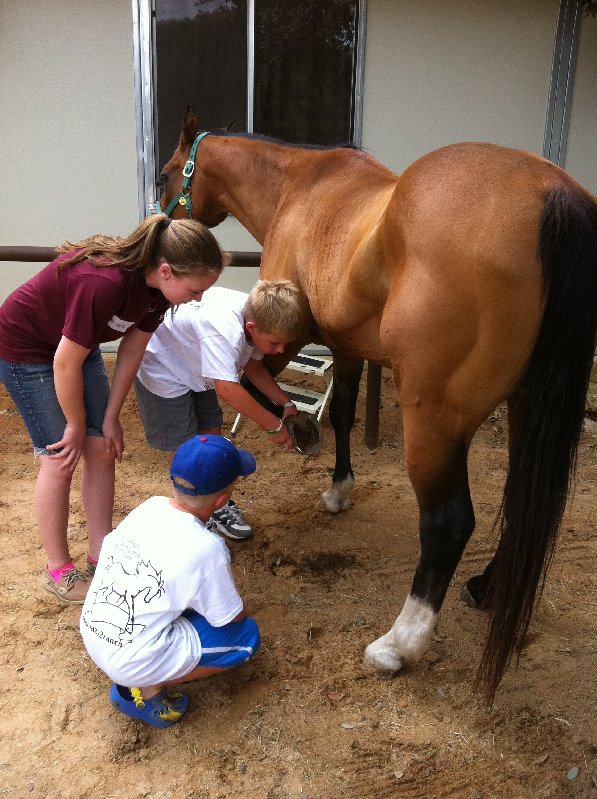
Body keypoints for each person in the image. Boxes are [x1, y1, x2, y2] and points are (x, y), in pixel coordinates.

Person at [0, 215, 224, 604]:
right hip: (27, 349)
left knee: (102, 446)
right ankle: (59, 572)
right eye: (195, 288)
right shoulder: (104, 283)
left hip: (73, 348)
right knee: (60, 456)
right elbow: (64, 363)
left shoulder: (158, 293)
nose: (199, 297)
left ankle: (100, 555)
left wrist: (110, 417)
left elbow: (132, 349)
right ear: (167, 270)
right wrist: (74, 423)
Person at [80, 434, 261, 728]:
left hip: (95, 631)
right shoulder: (208, 548)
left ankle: (138, 674)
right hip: (130, 660)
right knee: (246, 638)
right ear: (221, 500)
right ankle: (143, 688)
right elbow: (230, 618)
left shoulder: (150, 506)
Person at [134, 279, 303, 541]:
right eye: (275, 343)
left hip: (198, 364)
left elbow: (255, 369)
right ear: (251, 327)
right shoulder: (224, 330)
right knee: (188, 450)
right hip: (164, 365)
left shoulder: (260, 318)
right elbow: (227, 388)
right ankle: (190, 519)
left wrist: (286, 404)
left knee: (212, 436)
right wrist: (273, 425)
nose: (280, 350)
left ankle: (218, 508)